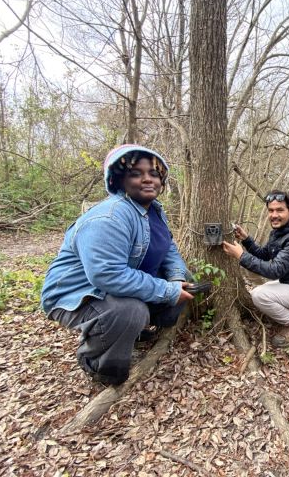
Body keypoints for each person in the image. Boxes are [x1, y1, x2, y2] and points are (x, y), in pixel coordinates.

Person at [41, 144, 195, 385]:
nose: (147, 179)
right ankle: (97, 364)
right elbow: (108, 275)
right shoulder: (110, 216)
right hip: (76, 296)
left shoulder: (152, 210)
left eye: (154, 174)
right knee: (131, 311)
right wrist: (167, 291)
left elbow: (169, 249)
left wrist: (176, 279)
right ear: (118, 180)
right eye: (136, 173)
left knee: (186, 280)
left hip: (117, 290)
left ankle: (133, 333)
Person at [222, 190, 289, 347]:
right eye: (271, 210)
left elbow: (274, 270)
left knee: (259, 295)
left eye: (280, 210)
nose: (274, 215)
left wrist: (241, 256)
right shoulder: (280, 231)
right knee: (262, 290)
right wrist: (246, 240)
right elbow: (264, 255)